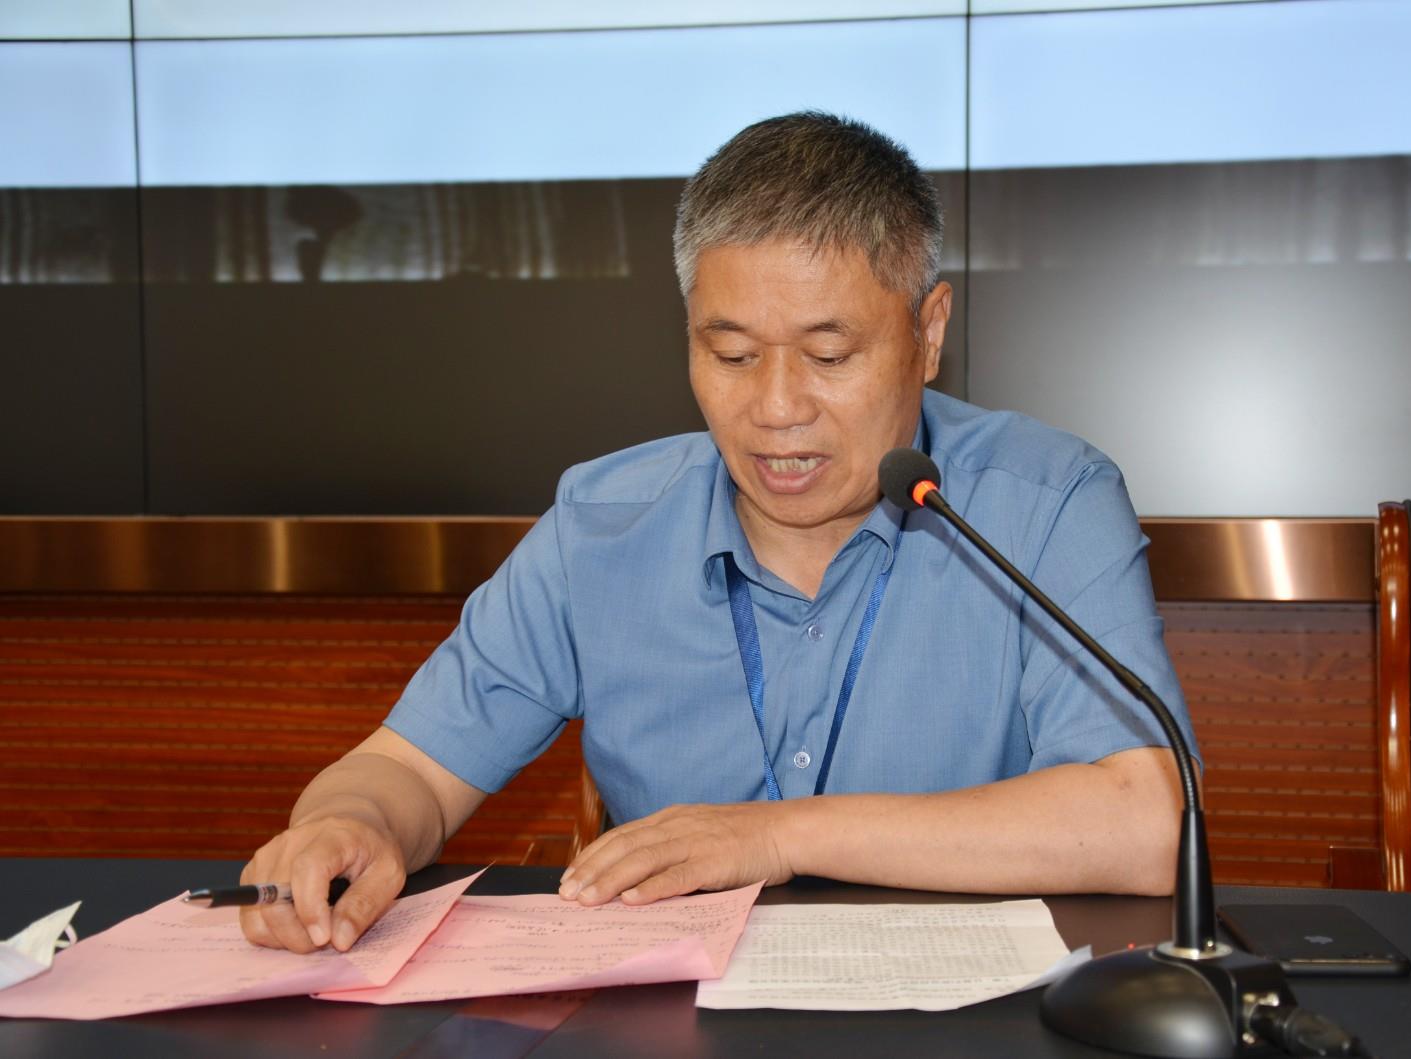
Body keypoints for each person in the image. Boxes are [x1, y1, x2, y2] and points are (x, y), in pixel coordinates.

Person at [239, 112, 1196, 955]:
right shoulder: (602, 526)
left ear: (929, 330)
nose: (775, 408)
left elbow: (1150, 821)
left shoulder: (1047, 502)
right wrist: (346, 823)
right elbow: (408, 768)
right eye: (731, 354)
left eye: (829, 354)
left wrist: (774, 837)